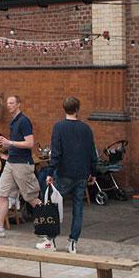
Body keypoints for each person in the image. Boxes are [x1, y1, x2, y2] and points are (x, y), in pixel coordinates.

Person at [41, 96, 98, 253]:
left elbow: (56, 152)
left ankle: (51, 240)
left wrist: (50, 172)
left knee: (53, 204)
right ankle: (73, 242)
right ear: (78, 109)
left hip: (64, 172)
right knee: (78, 208)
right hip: (82, 173)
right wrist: (93, 172)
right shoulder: (86, 129)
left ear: (64, 109)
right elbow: (92, 152)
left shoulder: (59, 127)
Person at [0, 95, 42, 239]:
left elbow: (30, 143)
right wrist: (1, 143)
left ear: (18, 104)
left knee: (31, 197)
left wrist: (10, 143)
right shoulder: (14, 122)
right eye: (8, 103)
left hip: (22, 164)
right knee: (2, 194)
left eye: (12, 103)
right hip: (11, 162)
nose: (9, 105)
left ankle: (48, 223)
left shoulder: (24, 121)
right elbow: (11, 143)